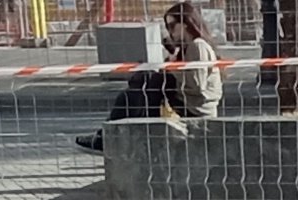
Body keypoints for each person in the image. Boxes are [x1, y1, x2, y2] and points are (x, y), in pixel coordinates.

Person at [75, 0, 215, 149]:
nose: (171, 31)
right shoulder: (187, 47)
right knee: (139, 87)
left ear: (186, 23)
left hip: (195, 106)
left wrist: (172, 68)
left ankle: (109, 138)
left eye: (173, 26)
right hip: (185, 100)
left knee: (145, 85)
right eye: (168, 27)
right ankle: (111, 136)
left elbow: (197, 86)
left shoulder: (198, 45)